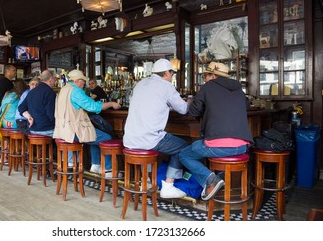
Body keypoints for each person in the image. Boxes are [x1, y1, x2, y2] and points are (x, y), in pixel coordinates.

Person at [179, 62, 253, 201]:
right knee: (199, 149)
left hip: (219, 146)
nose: (204, 79)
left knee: (184, 155)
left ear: (213, 75)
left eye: (205, 76)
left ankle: (211, 179)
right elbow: (246, 105)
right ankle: (219, 182)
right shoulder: (238, 88)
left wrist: (196, 102)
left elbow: (194, 111)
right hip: (243, 146)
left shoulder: (208, 87)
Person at [123, 58, 193, 199]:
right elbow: (183, 109)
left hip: (129, 138)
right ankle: (168, 186)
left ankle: (146, 180)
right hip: (148, 138)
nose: (172, 76)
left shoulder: (140, 83)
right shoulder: (166, 86)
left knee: (147, 145)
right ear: (166, 73)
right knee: (182, 146)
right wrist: (190, 101)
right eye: (172, 73)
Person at [53, 69, 121, 173]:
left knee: (94, 136)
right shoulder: (75, 91)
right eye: (83, 81)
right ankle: (108, 170)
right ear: (76, 81)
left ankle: (95, 166)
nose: (84, 83)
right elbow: (92, 106)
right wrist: (111, 104)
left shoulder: (63, 90)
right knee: (107, 138)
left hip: (62, 131)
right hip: (74, 131)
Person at [18, 70, 56, 137]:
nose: (55, 81)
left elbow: (21, 107)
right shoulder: (50, 92)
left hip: (32, 130)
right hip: (46, 130)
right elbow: (51, 114)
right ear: (50, 79)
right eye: (54, 79)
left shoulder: (32, 92)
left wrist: (29, 117)